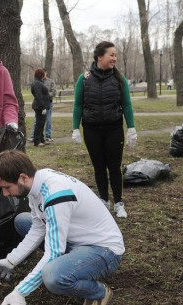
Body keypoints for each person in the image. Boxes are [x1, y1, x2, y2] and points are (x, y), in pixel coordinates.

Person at [0, 150, 124, 305]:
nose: (5, 194)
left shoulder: (55, 195)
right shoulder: (36, 183)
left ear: (23, 178)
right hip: (76, 238)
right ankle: (71, 264)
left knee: (52, 277)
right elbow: (38, 228)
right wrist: (11, 260)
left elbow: (54, 252)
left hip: (104, 249)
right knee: (23, 221)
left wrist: (20, 292)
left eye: (7, 187)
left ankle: (98, 293)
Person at [71, 41, 136, 218]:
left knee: (114, 167)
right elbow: (78, 105)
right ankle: (104, 200)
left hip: (114, 129)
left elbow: (127, 104)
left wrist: (131, 127)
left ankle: (119, 203)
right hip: (91, 131)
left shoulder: (119, 79)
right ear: (100, 56)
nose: (114, 58)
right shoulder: (84, 79)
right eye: (111, 55)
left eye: (116, 55)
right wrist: (75, 128)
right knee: (99, 167)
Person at [31, 68, 56, 142]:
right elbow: (39, 96)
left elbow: (53, 92)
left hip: (44, 105)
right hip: (40, 106)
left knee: (42, 123)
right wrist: (43, 107)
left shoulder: (39, 82)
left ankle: (41, 139)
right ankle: (37, 140)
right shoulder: (37, 83)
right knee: (39, 123)